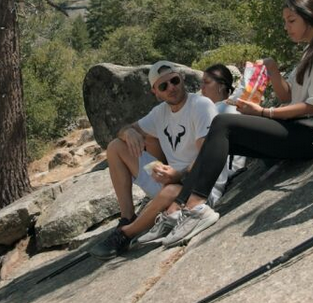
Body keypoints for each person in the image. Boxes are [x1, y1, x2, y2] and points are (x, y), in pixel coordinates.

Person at [158, 0, 313, 247]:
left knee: (224, 123)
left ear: (309, 16)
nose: (286, 27)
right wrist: (271, 68)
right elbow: (288, 95)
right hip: (301, 131)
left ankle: (196, 206)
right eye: (285, 21)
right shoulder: (309, 50)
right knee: (222, 134)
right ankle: (178, 206)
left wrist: (263, 113)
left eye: (291, 21)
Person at [90, 61, 219, 259]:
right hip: (171, 180)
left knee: (170, 191)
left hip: (199, 186)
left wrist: (179, 173)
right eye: (163, 86)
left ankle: (125, 234)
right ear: (155, 92)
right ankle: (127, 218)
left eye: (174, 81)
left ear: (182, 78)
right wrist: (128, 133)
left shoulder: (200, 105)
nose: (171, 88)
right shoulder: (160, 113)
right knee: (116, 147)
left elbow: (207, 156)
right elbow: (122, 130)